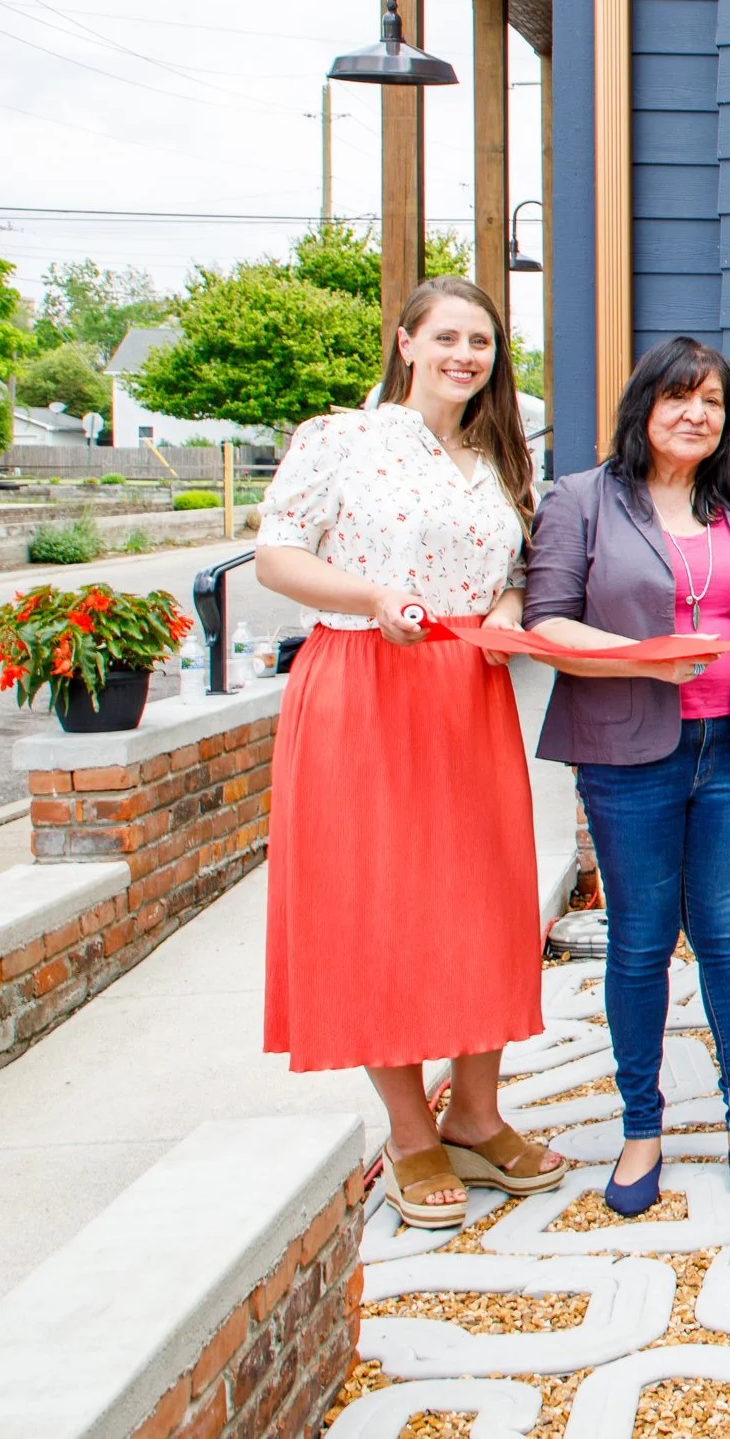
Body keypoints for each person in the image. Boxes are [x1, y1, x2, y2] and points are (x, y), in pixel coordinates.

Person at [257, 275, 566, 1228]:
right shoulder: (340, 441)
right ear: (405, 342)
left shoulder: (501, 457)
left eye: (481, 342)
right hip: (364, 682)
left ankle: (475, 1109)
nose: (465, 356)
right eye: (447, 337)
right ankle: (408, 1128)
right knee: (374, 903)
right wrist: (369, 597)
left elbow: (515, 574)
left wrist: (510, 615)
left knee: (485, 896)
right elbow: (276, 555)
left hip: (466, 691)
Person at [525, 338, 730, 1210]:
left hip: (728, 750)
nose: (697, 414)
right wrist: (649, 660)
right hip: (625, 752)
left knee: (728, 933)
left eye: (714, 402)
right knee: (642, 940)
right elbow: (547, 624)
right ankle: (641, 1127)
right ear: (643, 406)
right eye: (680, 397)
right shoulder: (581, 500)